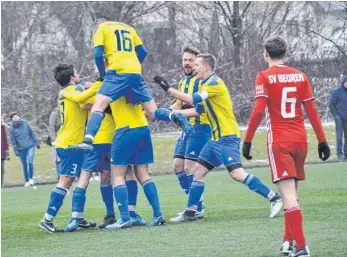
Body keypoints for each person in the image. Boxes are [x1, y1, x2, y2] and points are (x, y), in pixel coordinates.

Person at [154, 53, 283, 221]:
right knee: (198, 172)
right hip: (215, 138)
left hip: (227, 137)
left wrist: (168, 89)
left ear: (206, 67)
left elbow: (192, 99)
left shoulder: (214, 83)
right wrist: (172, 113)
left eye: (197, 65)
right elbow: (198, 110)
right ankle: (191, 211)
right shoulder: (203, 83)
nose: (194, 67)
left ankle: (275, 198)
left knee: (236, 174)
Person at [242, 36, 330, 257]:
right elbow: (311, 111)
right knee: (292, 193)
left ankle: (301, 247)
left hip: (280, 141)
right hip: (300, 139)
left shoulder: (264, 76)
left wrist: (248, 140)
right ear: (285, 53)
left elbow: (259, 111)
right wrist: (322, 139)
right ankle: (287, 242)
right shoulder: (301, 76)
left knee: (288, 194)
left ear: (266, 53)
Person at [67, 19, 193, 152]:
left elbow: (98, 55)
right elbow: (143, 52)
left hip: (116, 71)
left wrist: (104, 75)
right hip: (135, 72)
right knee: (152, 110)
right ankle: (174, 116)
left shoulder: (101, 28)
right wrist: (133, 65)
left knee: (98, 106)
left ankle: (88, 140)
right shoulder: (129, 28)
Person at [59, 80, 146, 231]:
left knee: (90, 178)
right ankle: (127, 213)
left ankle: (84, 217)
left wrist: (68, 92)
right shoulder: (114, 88)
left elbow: (84, 104)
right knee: (122, 174)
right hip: (109, 140)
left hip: (97, 141)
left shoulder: (95, 91)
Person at [154, 45, 209, 222]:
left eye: (191, 60)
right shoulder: (183, 82)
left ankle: (195, 208)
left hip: (200, 128)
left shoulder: (202, 81)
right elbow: (177, 105)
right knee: (177, 166)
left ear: (197, 62)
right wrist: (158, 111)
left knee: (189, 167)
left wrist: (178, 111)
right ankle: (193, 205)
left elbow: (199, 108)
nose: (187, 63)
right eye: (184, 60)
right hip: (186, 129)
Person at [39, 64, 95, 233]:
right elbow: (85, 103)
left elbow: (85, 101)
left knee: (81, 179)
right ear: (72, 77)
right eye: (77, 73)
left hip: (70, 142)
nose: (79, 75)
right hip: (71, 144)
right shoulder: (74, 90)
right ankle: (47, 219)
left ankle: (78, 217)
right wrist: (101, 90)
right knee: (66, 181)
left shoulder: (69, 90)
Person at [105, 94, 165, 229]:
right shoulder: (135, 83)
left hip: (125, 129)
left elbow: (98, 103)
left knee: (117, 174)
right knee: (142, 173)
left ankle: (125, 218)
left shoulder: (112, 83)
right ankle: (157, 214)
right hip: (143, 128)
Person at [9, 112, 40, 187]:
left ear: (18, 117)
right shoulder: (12, 128)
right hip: (21, 149)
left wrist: (36, 142)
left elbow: (31, 133)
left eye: (16, 116)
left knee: (30, 162)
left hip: (30, 146)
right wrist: (16, 150)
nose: (15, 118)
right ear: (12, 119)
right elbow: (13, 141)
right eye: (13, 117)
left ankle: (31, 178)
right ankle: (26, 180)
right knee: (24, 165)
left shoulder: (25, 124)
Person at [329, 75, 347, 161]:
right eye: (346, 82)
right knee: (339, 137)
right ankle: (340, 154)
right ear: (343, 82)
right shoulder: (337, 92)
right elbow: (331, 105)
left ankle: (346, 154)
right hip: (339, 117)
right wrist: (336, 116)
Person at [48, 105, 62, 178]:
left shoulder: (66, 113)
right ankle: (60, 177)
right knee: (58, 159)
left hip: (65, 138)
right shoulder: (54, 114)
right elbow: (51, 127)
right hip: (57, 138)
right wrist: (53, 140)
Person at [1, 117, 10, 187]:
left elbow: (5, 140)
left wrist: (7, 154)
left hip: (1, 153)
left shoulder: (2, 128)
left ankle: (1, 183)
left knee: (1, 168)